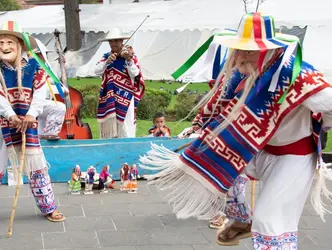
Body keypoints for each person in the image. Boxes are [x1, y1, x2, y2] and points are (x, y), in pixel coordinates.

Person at [139, 12, 332, 249]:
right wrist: (202, 131)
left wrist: (323, 123)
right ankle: (242, 220)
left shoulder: (297, 74)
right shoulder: (243, 71)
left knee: (269, 220)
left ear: (267, 50)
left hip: (294, 158)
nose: (239, 55)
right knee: (218, 165)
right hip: (260, 149)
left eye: (248, 50)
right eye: (239, 49)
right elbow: (220, 103)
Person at [0, 21, 65, 225]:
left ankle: (48, 207)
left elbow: (40, 93)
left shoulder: (35, 66)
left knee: (36, 163)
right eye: (1, 42)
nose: (4, 47)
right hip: (1, 123)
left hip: (27, 123)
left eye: (9, 42)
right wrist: (9, 114)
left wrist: (31, 114)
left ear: (20, 45)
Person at [94, 28, 145, 139]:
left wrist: (128, 60)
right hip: (110, 97)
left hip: (126, 97)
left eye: (116, 41)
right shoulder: (106, 56)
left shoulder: (130, 56)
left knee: (127, 128)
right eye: (111, 41)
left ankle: (128, 150)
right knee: (111, 130)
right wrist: (107, 63)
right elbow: (96, 70)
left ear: (122, 41)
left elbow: (135, 73)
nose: (113, 44)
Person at [33, 38, 67, 140]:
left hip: (43, 102)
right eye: (41, 54)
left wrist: (62, 65)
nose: (44, 57)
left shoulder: (45, 68)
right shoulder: (33, 69)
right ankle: (51, 132)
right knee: (59, 107)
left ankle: (43, 136)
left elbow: (54, 80)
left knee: (43, 126)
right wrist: (60, 91)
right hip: (34, 102)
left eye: (44, 54)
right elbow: (41, 86)